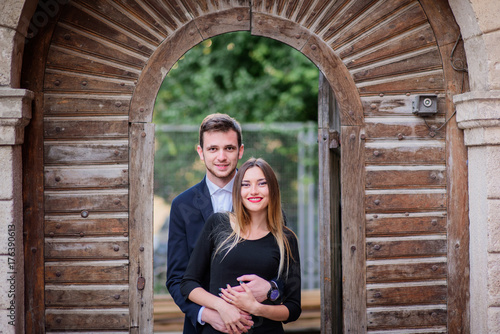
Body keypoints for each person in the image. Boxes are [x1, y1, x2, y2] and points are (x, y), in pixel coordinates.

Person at [167, 114, 280, 334]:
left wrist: (272, 289)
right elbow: (176, 279)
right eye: (212, 149)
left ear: (240, 151)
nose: (221, 157)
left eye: (229, 148)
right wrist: (209, 315)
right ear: (200, 153)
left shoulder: (264, 201)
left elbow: (285, 275)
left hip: (259, 326)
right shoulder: (182, 206)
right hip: (204, 328)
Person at [180, 158, 302, 334]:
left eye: (261, 184)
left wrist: (256, 308)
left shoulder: (286, 239)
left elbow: (293, 308)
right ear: (238, 191)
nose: (253, 191)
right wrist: (222, 307)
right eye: (246, 185)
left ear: (273, 190)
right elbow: (188, 284)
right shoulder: (218, 224)